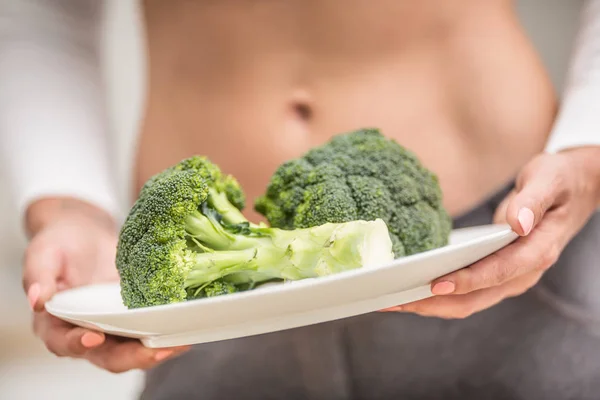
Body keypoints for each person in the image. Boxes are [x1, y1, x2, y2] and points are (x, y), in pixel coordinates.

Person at [2, 0, 600, 398]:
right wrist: (69, 204)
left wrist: (587, 149)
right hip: (204, 312)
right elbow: (43, 14)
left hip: (497, 249)